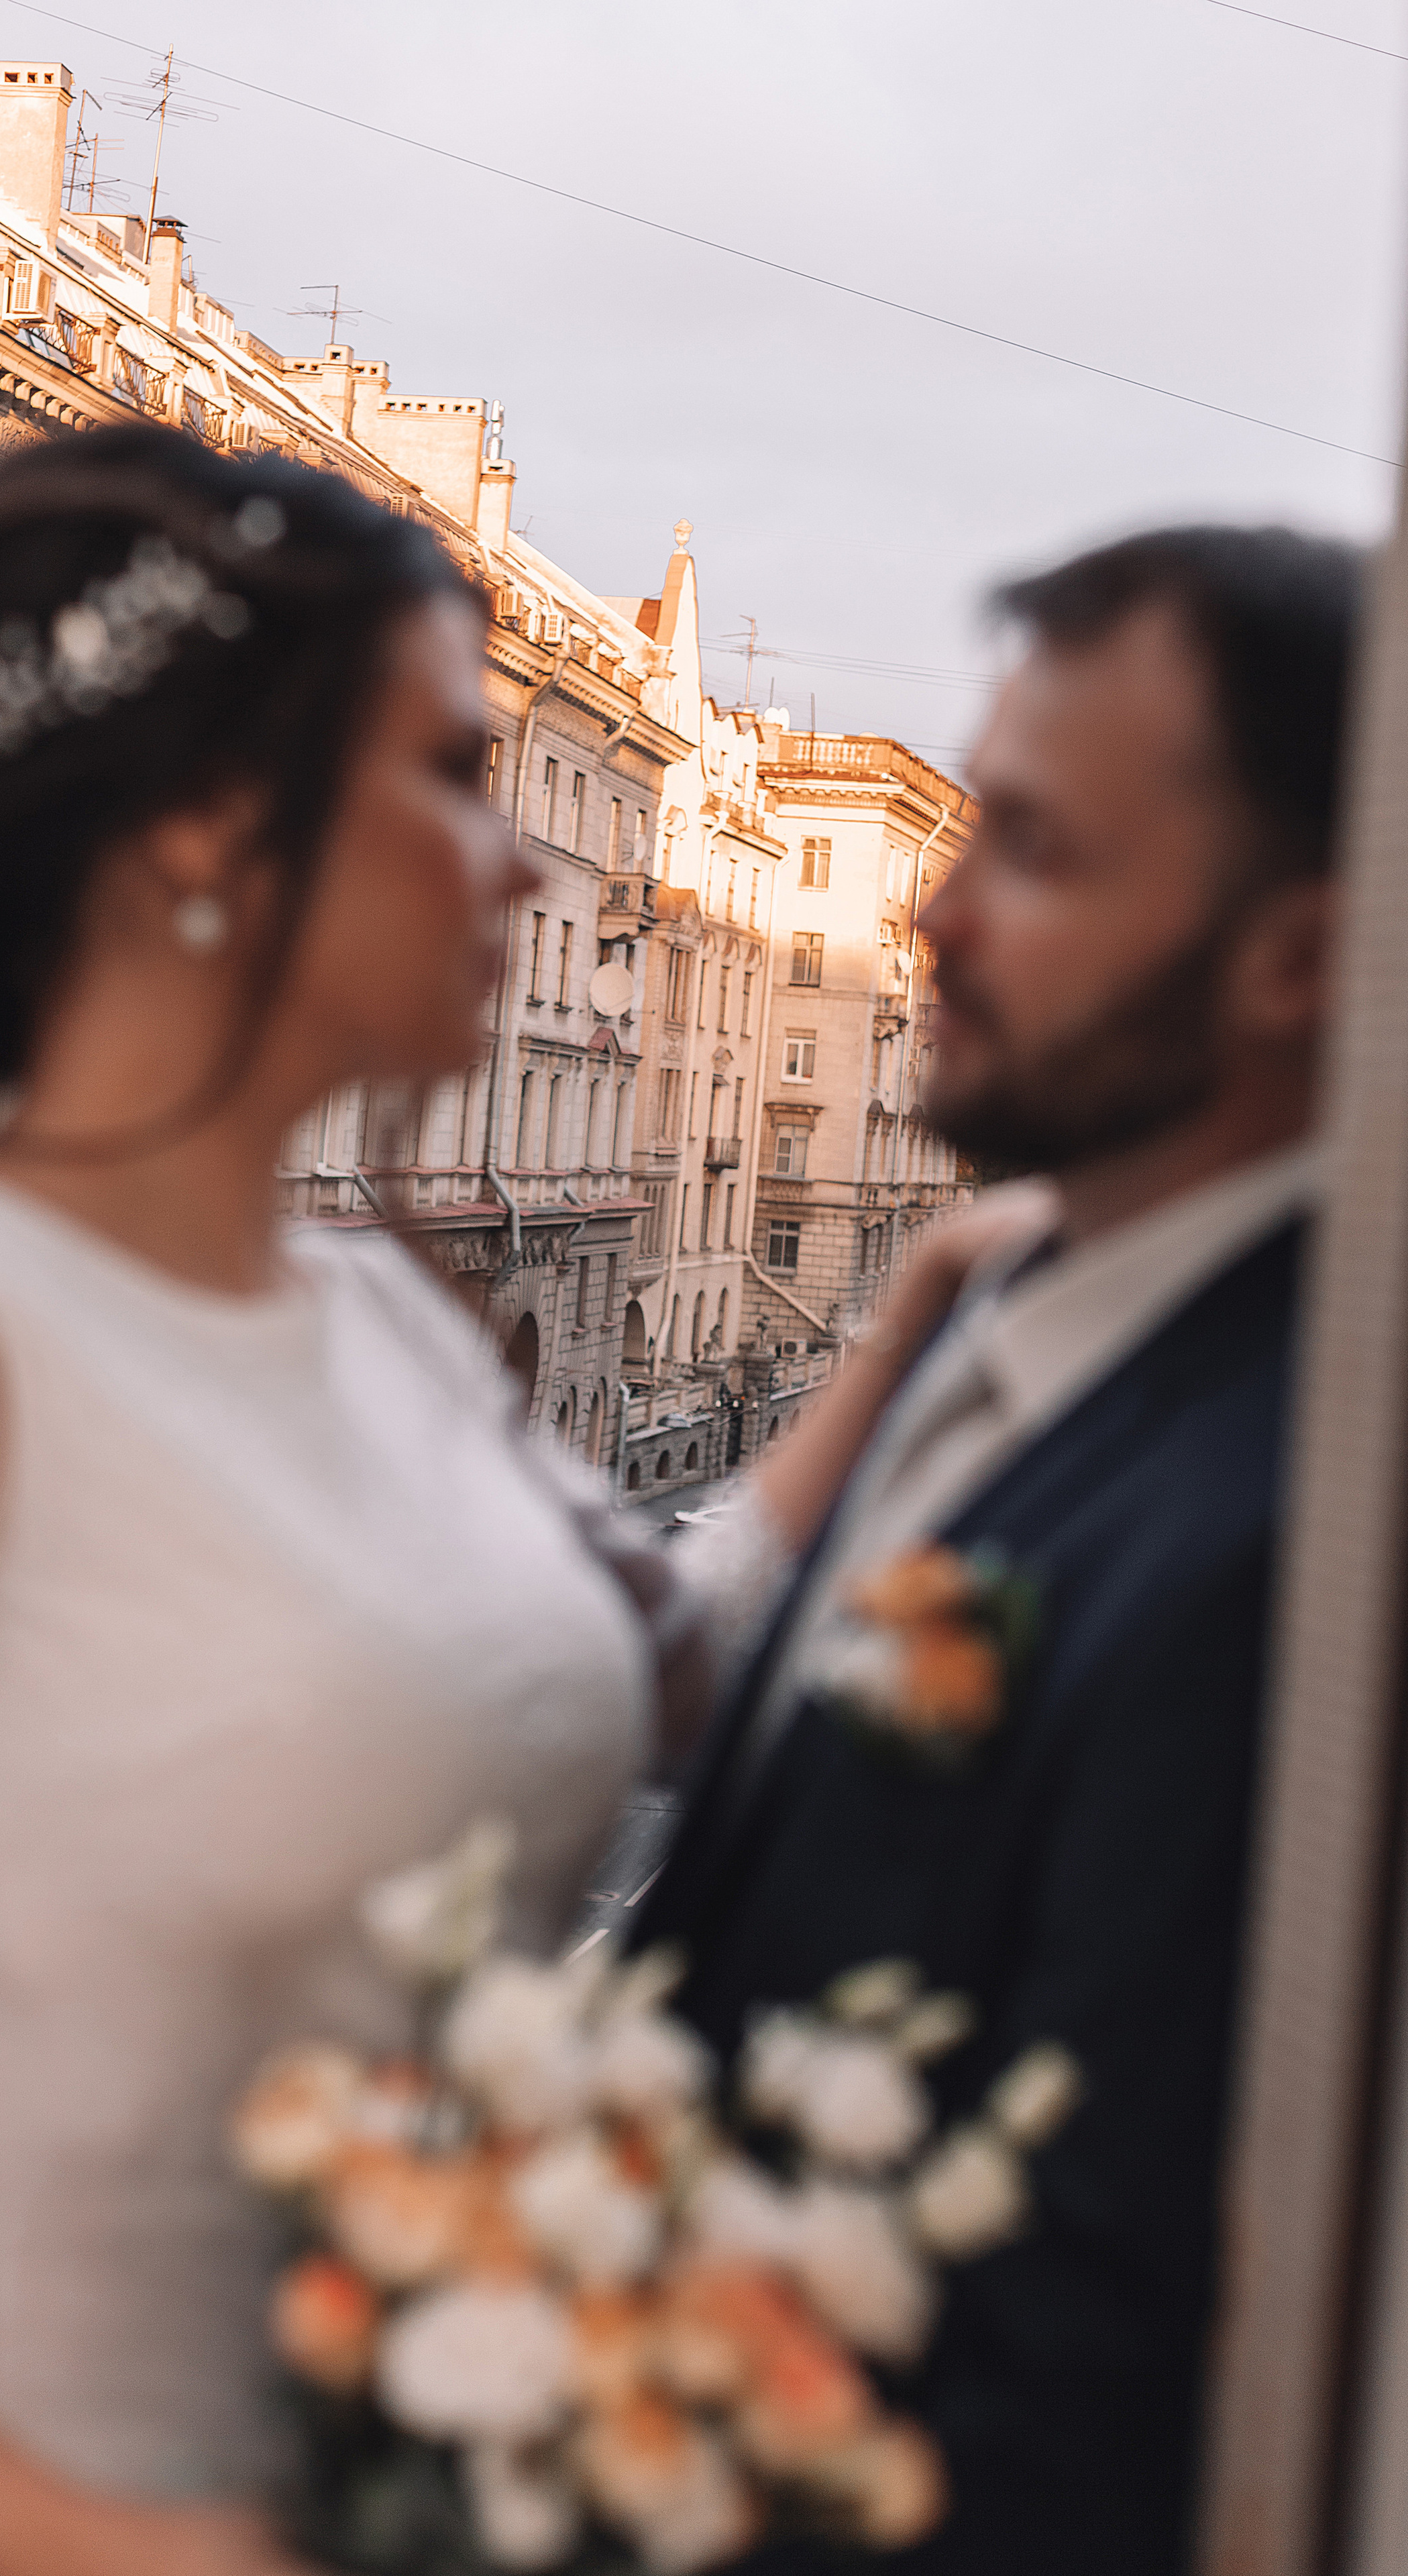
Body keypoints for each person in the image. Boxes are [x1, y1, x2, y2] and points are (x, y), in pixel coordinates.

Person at [0, 423, 1005, 2576]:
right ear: (213, 827)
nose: (525, 871)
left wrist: (926, 1313)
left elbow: (674, 1664)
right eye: (453, 777)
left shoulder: (380, 1305)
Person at [638, 525, 1358, 2576]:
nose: (934, 917)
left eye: (1031, 851)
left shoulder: (1274, 1521)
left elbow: (1075, 2367)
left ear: (1297, 956)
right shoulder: (1019, 1326)